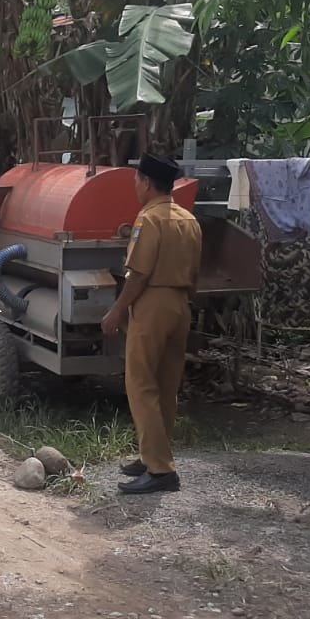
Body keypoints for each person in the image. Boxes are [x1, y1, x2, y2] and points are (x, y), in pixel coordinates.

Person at [99, 154, 201, 495]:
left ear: (146, 183)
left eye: (136, 181)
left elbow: (139, 273)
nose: (134, 186)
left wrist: (117, 310)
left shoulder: (149, 219)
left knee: (141, 383)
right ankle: (153, 456)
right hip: (180, 304)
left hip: (153, 303)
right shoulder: (188, 219)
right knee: (166, 385)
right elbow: (196, 272)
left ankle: (160, 470)